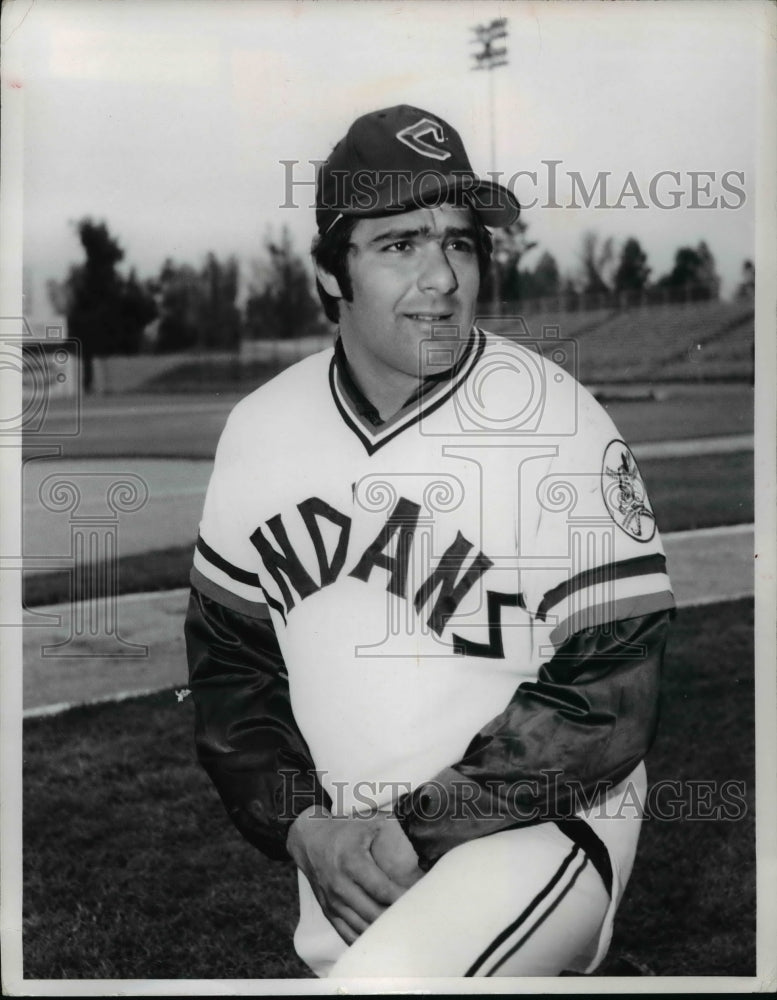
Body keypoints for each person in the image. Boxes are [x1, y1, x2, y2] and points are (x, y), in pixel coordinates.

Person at [184, 104, 675, 978]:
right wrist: (302, 825)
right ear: (332, 273)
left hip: (541, 832)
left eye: (458, 241)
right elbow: (232, 670)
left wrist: (416, 827)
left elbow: (611, 681)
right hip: (350, 861)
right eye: (399, 243)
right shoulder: (261, 429)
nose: (442, 276)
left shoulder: (551, 419)